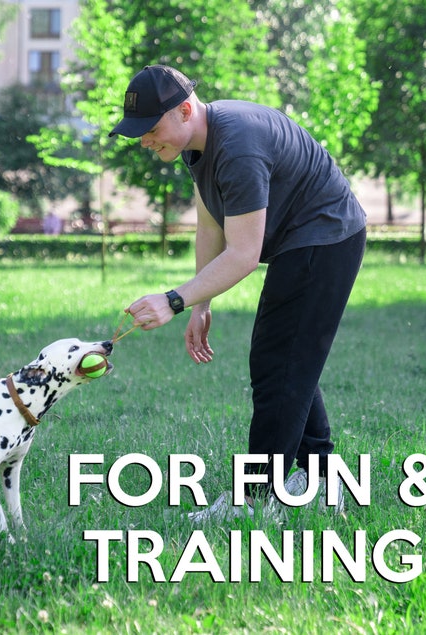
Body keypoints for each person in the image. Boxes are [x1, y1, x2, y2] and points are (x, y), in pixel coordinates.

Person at [109, 65, 367, 521]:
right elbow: (211, 221)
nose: (144, 141)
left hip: (325, 236)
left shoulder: (237, 145)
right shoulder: (197, 143)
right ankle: (323, 479)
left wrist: (173, 300)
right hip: (303, 239)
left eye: (150, 130)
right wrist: (200, 302)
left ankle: (257, 498)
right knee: (288, 360)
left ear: (185, 110)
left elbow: (244, 254)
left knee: (277, 363)